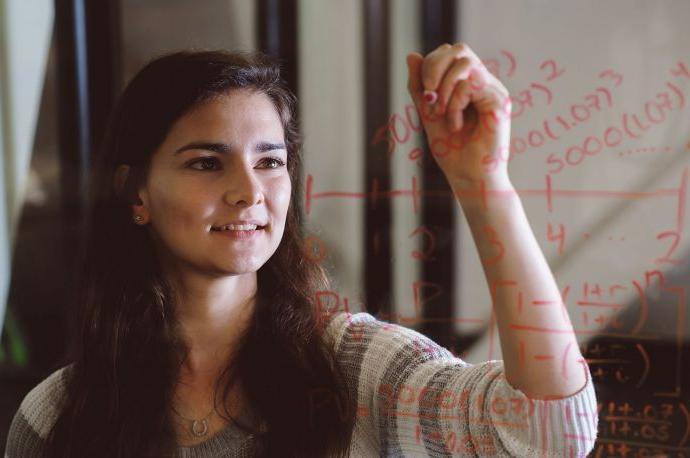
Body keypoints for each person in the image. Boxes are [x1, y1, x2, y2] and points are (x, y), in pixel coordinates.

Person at [4, 43, 598, 457]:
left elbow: (549, 433)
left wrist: (483, 180)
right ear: (136, 194)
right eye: (206, 163)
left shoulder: (356, 368)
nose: (248, 192)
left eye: (270, 162)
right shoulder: (58, 414)